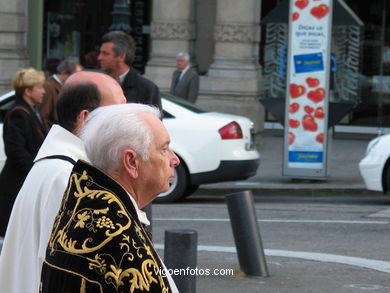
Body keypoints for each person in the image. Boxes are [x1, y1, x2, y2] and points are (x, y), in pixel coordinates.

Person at [0, 71, 126, 293]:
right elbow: (69, 275)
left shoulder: (64, 168)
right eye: (118, 112)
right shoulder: (69, 177)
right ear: (85, 118)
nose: (127, 121)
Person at [40, 104, 180, 292]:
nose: (175, 159)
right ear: (131, 162)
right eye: (164, 149)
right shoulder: (121, 238)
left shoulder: (79, 209)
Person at [0, 68, 47, 236]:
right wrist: (37, 172)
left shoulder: (30, 111)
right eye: (39, 87)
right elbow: (16, 152)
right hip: (17, 183)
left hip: (24, 180)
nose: (43, 91)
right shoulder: (19, 114)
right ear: (28, 91)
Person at [98, 30, 162, 111]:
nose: (99, 57)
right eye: (100, 53)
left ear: (121, 56)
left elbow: (154, 122)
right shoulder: (97, 84)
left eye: (105, 53)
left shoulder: (147, 88)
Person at [38, 58, 83, 129]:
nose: (79, 79)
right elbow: (43, 117)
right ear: (64, 73)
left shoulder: (67, 87)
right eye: (76, 75)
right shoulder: (48, 87)